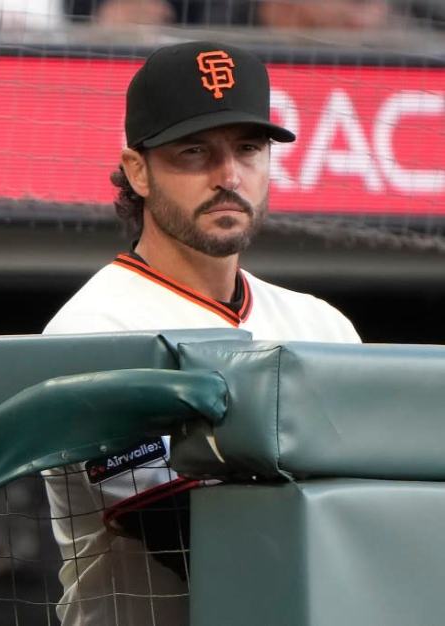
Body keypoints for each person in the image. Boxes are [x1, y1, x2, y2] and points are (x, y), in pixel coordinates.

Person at [43, 41, 360, 626]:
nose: (229, 176)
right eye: (195, 151)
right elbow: (182, 532)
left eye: (248, 148)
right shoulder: (92, 329)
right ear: (137, 170)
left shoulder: (323, 324)